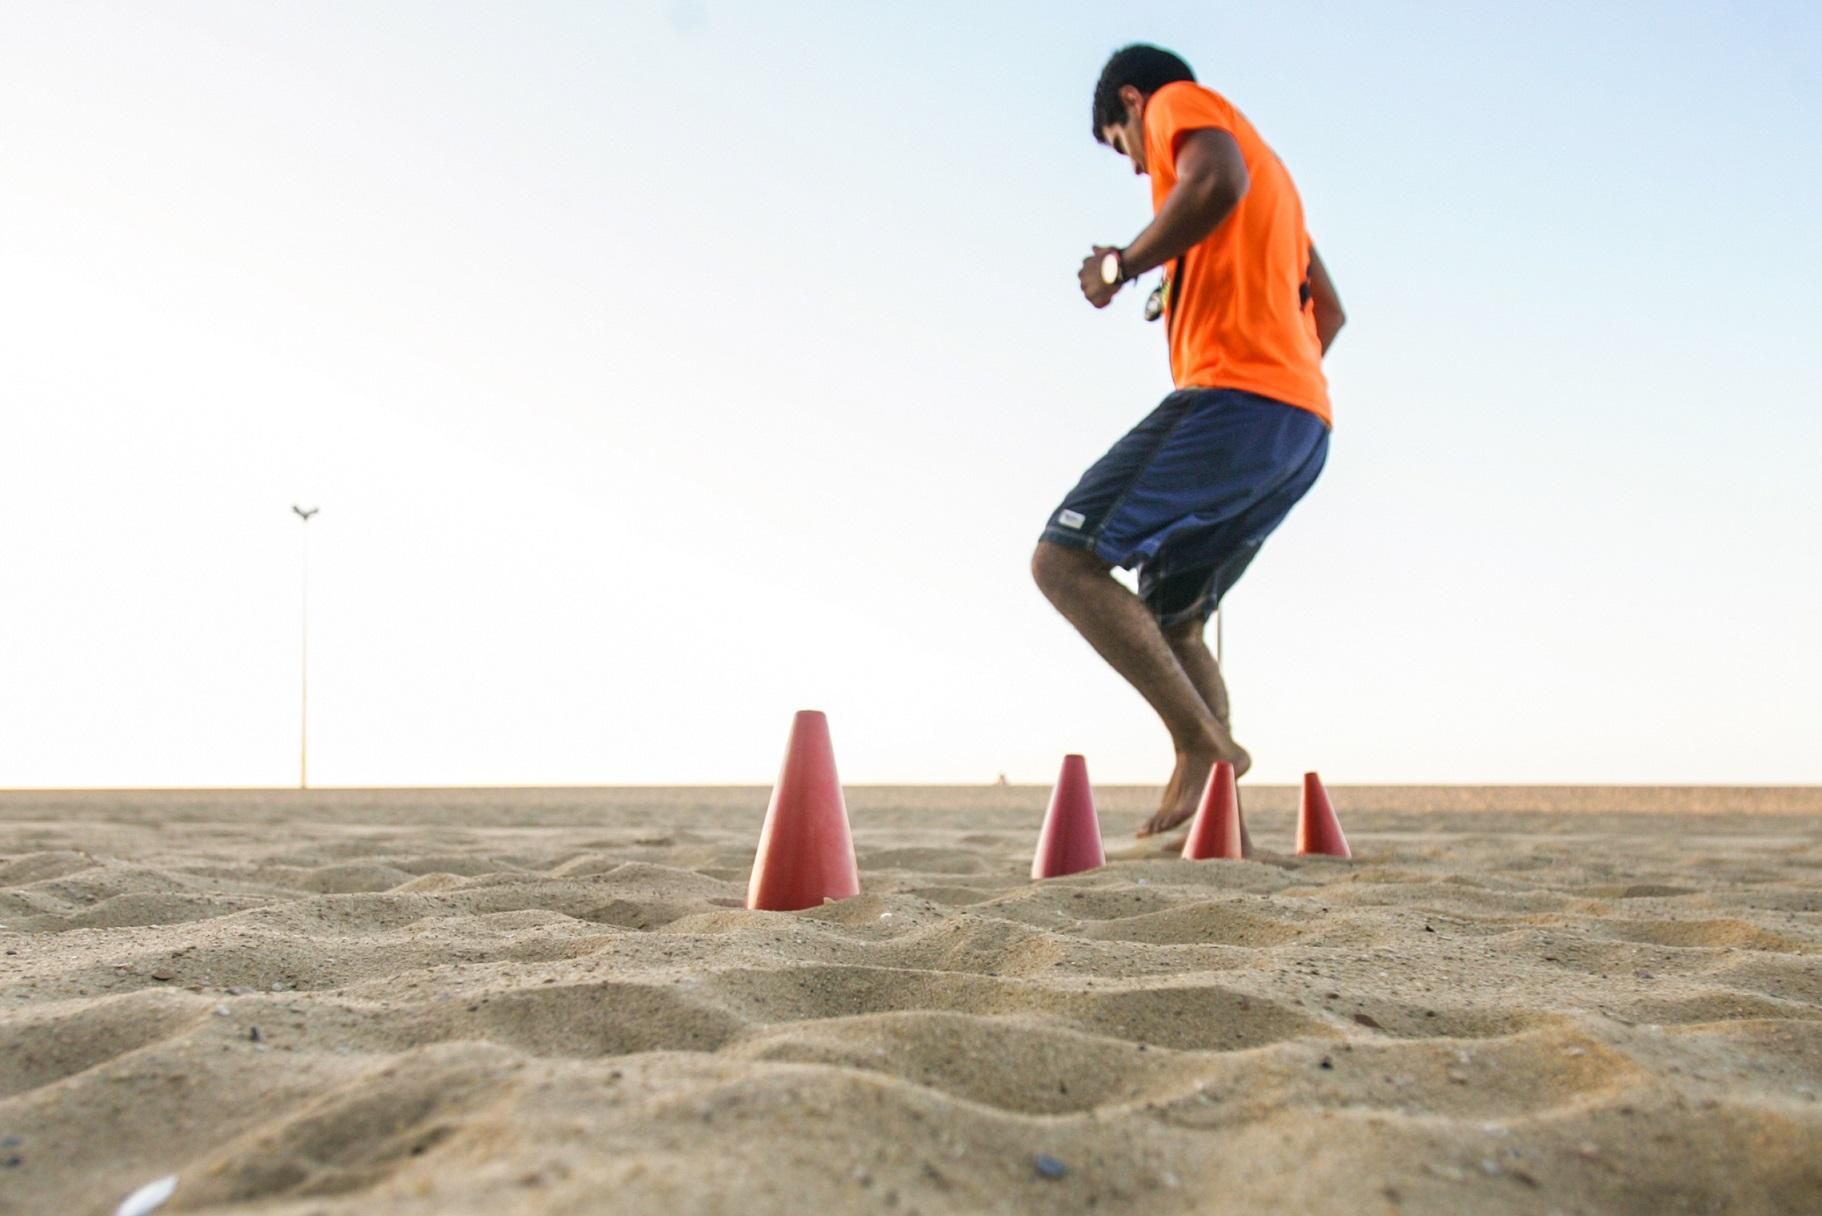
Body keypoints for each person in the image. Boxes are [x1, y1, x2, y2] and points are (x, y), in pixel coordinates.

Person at [1032, 44, 1346, 844]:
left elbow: (1213, 181)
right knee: (1175, 619)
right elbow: (1331, 315)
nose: (1139, 169)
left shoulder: (1178, 105)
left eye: (1120, 144)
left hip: (1237, 399)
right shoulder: (1282, 191)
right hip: (1301, 426)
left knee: (1063, 559)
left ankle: (1202, 750)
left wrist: (1122, 264)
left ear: (1131, 104)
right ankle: (1217, 821)